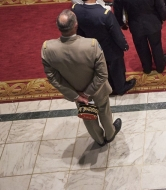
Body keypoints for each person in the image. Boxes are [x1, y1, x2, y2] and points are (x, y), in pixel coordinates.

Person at [41, 9, 122, 146]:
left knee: (87, 115)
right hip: (97, 89)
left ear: (58, 27)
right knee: (104, 110)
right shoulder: (91, 45)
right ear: (76, 25)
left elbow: (53, 78)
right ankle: (110, 133)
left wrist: (77, 96)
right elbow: (102, 74)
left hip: (75, 91)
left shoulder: (48, 49)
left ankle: (99, 139)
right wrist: (87, 92)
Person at [72, 0, 136, 95]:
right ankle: (121, 87)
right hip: (110, 47)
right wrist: (124, 45)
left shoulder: (76, 9)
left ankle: (109, 87)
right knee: (117, 67)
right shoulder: (104, 14)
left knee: (102, 67)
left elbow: (79, 29)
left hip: (92, 45)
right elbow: (116, 33)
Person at [113, 0, 166, 74]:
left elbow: (118, 10)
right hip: (153, 23)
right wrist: (163, 17)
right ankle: (160, 66)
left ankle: (147, 68)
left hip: (135, 24)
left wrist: (122, 24)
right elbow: (160, 6)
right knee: (156, 45)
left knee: (141, 47)